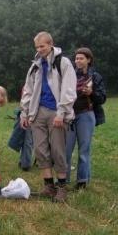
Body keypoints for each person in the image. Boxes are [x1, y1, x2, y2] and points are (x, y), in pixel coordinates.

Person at [20, 31, 77, 202]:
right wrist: (25, 112)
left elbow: (69, 89)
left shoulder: (63, 62)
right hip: (38, 112)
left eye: (42, 46)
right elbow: (28, 90)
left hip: (57, 112)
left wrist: (62, 112)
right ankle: (48, 186)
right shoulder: (35, 65)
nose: (39, 49)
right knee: (41, 150)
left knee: (58, 150)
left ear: (51, 44)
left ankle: (62, 187)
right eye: (37, 47)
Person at [66, 47, 106, 189]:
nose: (78, 61)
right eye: (76, 58)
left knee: (84, 150)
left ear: (88, 60)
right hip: (69, 115)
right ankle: (64, 180)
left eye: (81, 58)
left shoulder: (95, 76)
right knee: (66, 149)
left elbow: (102, 98)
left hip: (86, 115)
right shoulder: (69, 75)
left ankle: (82, 181)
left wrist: (92, 92)